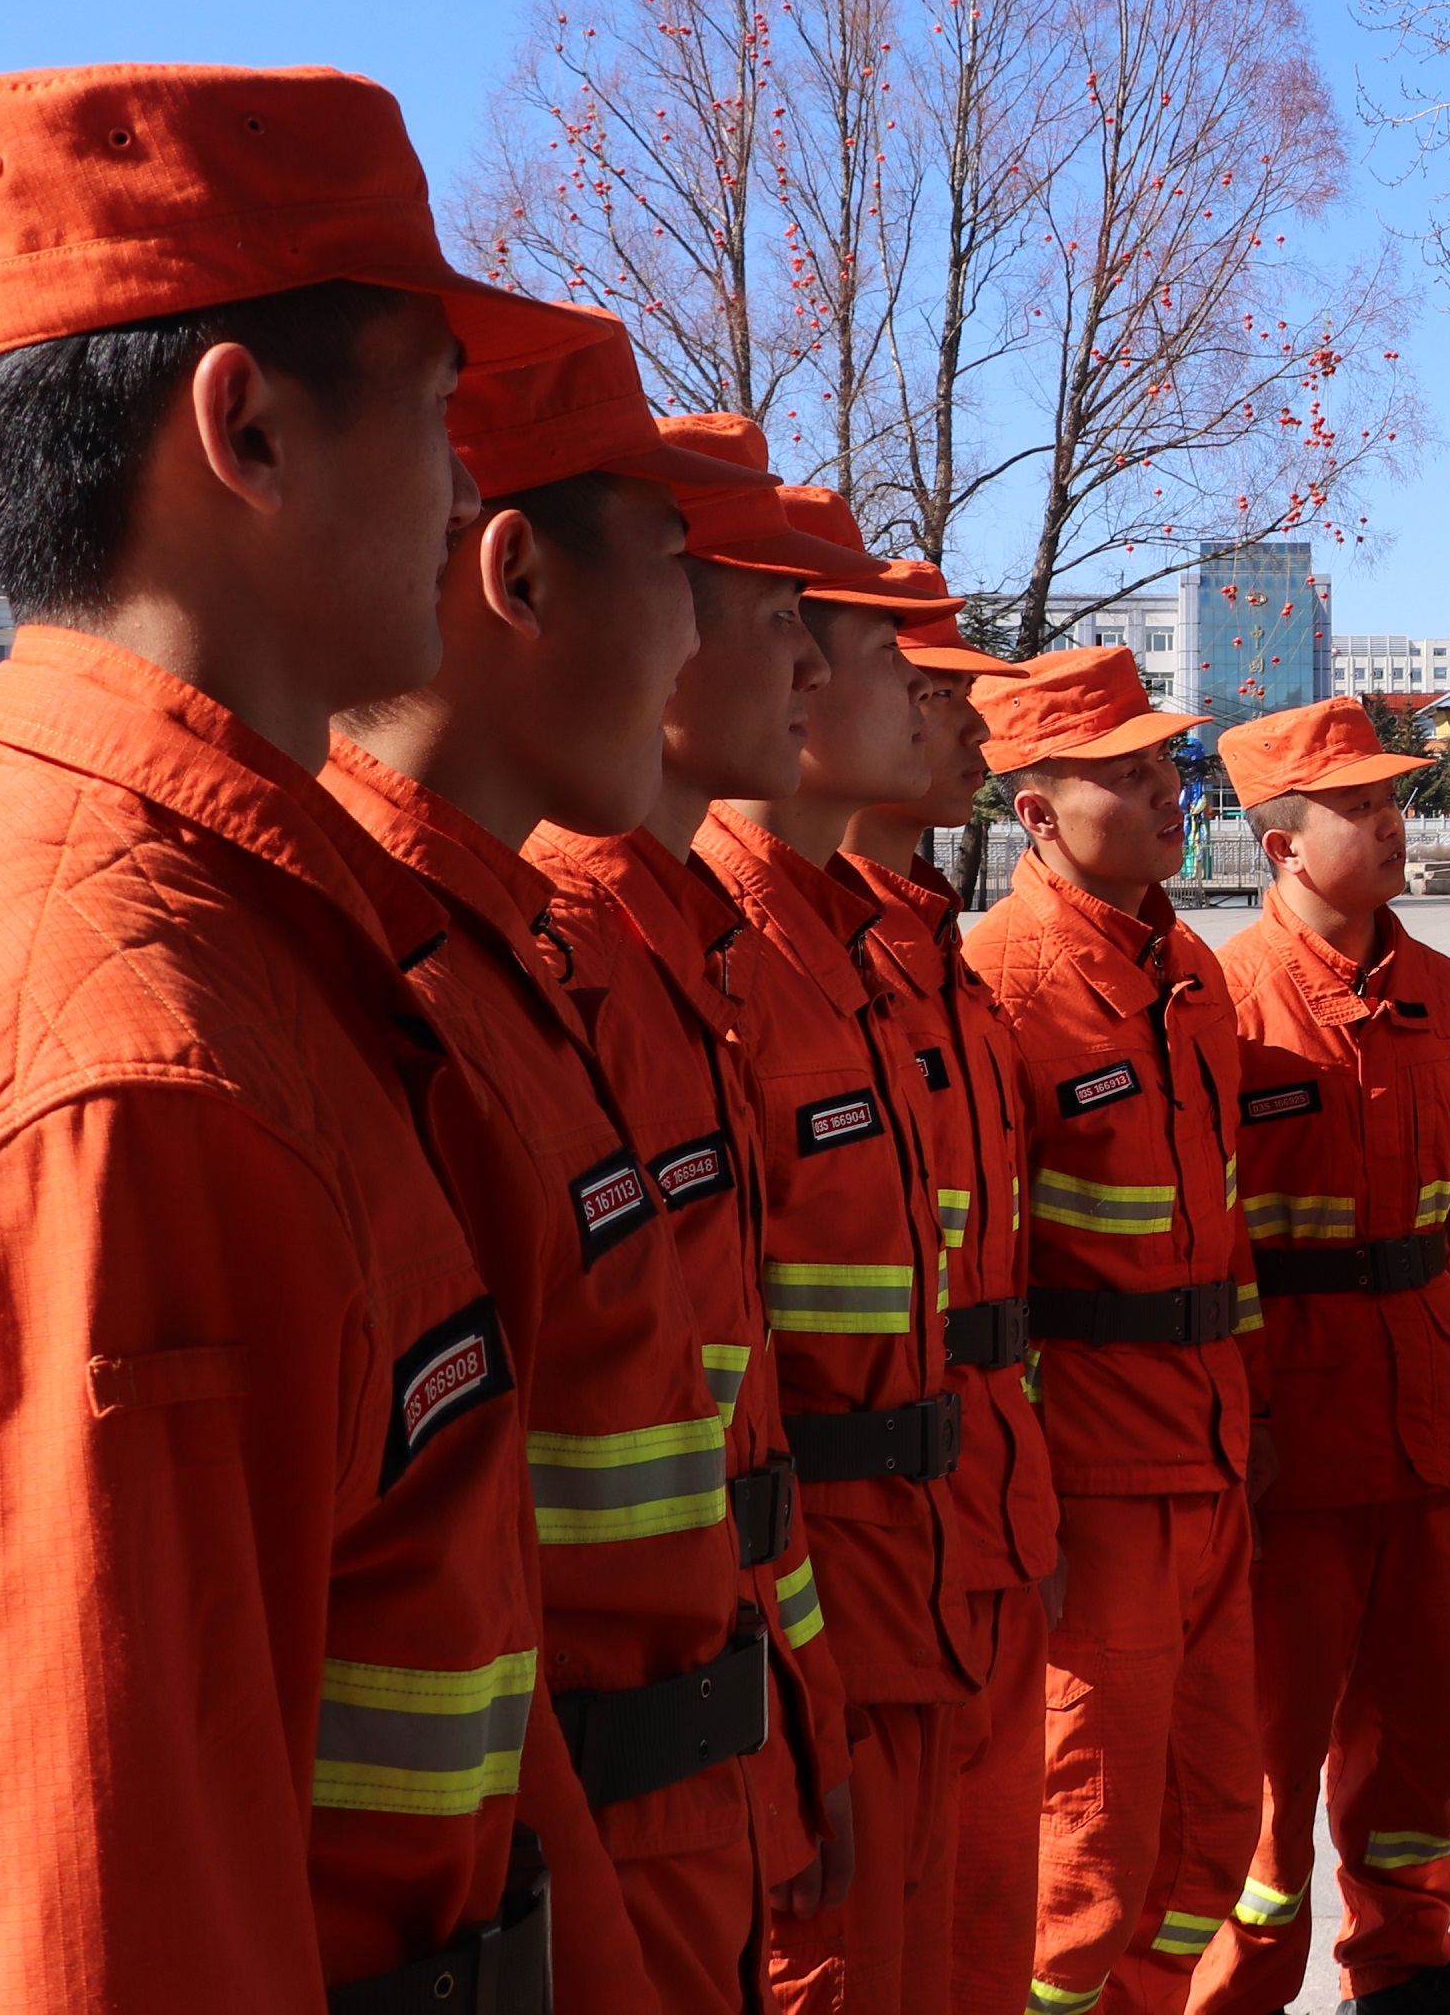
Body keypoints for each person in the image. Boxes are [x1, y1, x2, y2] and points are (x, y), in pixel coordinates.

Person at [0, 64, 612, 2004]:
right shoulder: (120, 1082)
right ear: (247, 428)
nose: (465, 491)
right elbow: (79, 1942)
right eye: (442, 410)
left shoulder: (142, 946)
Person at [327, 317, 803, 2010]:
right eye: (687, 574)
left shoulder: (513, 953)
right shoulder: (367, 988)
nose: (702, 644)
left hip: (663, 1847)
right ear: (517, 575)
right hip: (560, 1898)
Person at [526, 415, 876, 1962]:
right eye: (773, 616)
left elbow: (731, 1427)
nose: (806, 670)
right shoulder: (562, 960)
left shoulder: (681, 951)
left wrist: (800, 1702)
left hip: (728, 1730)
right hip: (607, 1819)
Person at [1189, 700, 1450, 2015]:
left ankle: (1404, 1968)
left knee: (1423, 1727)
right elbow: (1204, 1231)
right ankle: (1235, 1991)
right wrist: (1238, 1418)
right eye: (1364, 805)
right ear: (1280, 841)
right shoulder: (1221, 1010)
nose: (1396, 822)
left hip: (1428, 1420)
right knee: (1268, 1753)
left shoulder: (1449, 1000)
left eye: (1398, 798)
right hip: (1291, 1440)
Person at [699, 495, 1000, 2015]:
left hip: (912, 1586)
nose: (940, 706)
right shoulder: (721, 963)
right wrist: (784, 1695)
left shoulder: (850, 948)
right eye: (910, 668)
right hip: (805, 1637)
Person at [960, 648, 1268, 2015]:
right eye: (1128, 772)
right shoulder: (999, 987)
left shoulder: (1191, 968)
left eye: (1168, 766)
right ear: (1034, 813)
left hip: (1207, 1467)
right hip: (1092, 1494)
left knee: (1210, 1829)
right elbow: (984, 1284)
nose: (1169, 792)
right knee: (1081, 1855)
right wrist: (1024, 1507)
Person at [822, 574, 1069, 2015]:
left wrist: (1024, 1501)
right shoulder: (805, 965)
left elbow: (989, 1292)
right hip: (859, 1570)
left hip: (975, 1516)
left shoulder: (936, 967)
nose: (978, 724)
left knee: (980, 1922)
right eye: (940, 691)